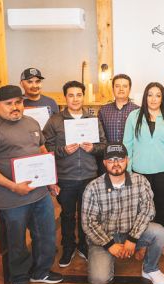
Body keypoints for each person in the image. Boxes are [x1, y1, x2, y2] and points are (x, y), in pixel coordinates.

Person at [0, 85, 62, 284]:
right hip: (13, 199)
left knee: (46, 235)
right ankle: (20, 280)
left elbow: (41, 149)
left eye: (18, 102)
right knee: (17, 242)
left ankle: (41, 272)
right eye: (9, 104)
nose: (15, 107)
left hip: (40, 194)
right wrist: (13, 187)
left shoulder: (31, 122)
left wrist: (50, 179)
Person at [82, 143, 164, 284]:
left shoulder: (140, 181)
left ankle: (150, 269)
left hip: (132, 232)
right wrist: (110, 245)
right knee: (98, 281)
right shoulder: (93, 187)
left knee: (159, 232)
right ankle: (108, 261)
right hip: (104, 238)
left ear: (127, 160)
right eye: (111, 160)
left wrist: (132, 238)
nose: (116, 164)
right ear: (104, 163)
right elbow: (88, 223)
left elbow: (148, 211)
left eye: (120, 159)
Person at [43, 80, 107, 268]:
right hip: (66, 177)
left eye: (78, 95)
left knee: (86, 215)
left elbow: (103, 145)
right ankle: (68, 247)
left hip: (89, 176)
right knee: (68, 214)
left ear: (83, 96)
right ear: (65, 98)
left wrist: (93, 148)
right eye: (71, 95)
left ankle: (84, 247)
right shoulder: (55, 120)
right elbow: (45, 146)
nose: (75, 98)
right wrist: (63, 150)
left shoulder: (92, 120)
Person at [123, 82, 164, 231]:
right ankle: (140, 238)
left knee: (162, 205)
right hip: (139, 170)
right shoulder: (133, 116)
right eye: (150, 95)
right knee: (140, 206)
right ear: (145, 97)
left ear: (162, 98)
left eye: (158, 95)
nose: (153, 99)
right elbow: (127, 144)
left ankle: (161, 237)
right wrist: (127, 168)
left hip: (163, 170)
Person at [98, 74, 140, 143]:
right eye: (117, 86)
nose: (121, 89)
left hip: (131, 153)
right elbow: (100, 137)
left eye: (125, 86)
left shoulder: (138, 111)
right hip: (109, 153)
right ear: (112, 89)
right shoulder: (103, 111)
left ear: (130, 89)